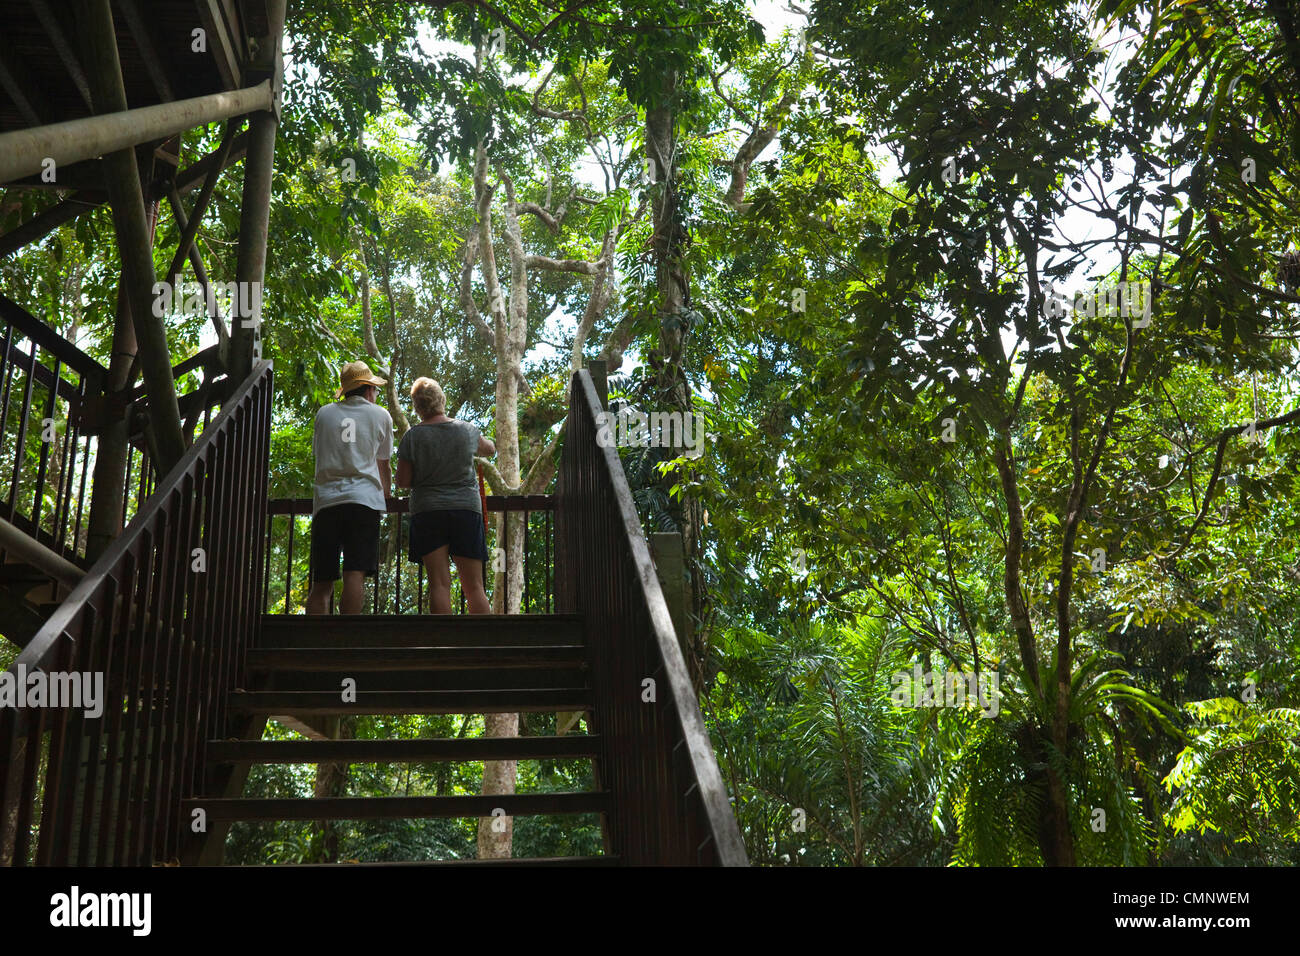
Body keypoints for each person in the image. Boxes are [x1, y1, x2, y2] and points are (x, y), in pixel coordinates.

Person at [396, 377, 495, 614]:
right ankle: (487, 648)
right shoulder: (467, 430)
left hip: (428, 512)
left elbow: (403, 482)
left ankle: (444, 648)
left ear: (417, 407)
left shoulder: (412, 437)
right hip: (465, 510)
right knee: (474, 588)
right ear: (441, 399)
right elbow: (490, 449)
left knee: (439, 585)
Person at [306, 361, 393, 615]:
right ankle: (345, 643)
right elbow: (383, 464)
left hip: (327, 503)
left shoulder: (325, 413)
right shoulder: (381, 415)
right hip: (364, 503)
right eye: (374, 390)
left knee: (321, 583)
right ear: (368, 390)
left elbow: (318, 454)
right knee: (354, 575)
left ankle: (313, 647)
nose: (375, 395)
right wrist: (386, 495)